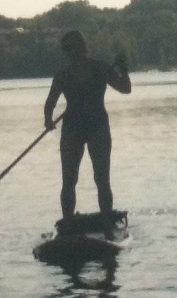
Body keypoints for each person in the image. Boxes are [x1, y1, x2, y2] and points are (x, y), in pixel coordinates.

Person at [44, 30, 131, 226]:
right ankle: (67, 224)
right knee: (69, 181)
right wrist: (47, 119)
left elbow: (125, 89)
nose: (73, 53)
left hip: (98, 127)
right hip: (72, 130)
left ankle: (107, 223)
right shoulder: (63, 76)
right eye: (69, 50)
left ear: (83, 48)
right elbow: (50, 102)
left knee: (102, 180)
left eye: (75, 48)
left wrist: (123, 69)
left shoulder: (100, 69)